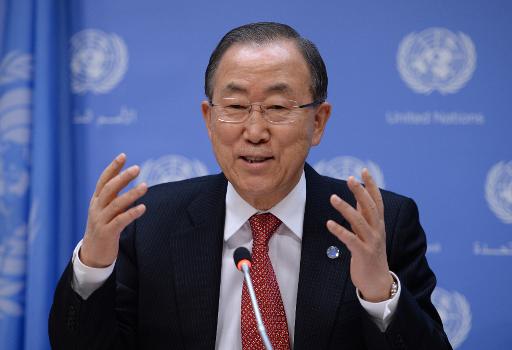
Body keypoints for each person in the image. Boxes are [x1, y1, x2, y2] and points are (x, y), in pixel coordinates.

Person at [49, 22, 452, 349]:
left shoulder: (379, 224)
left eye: (277, 108)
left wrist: (379, 294)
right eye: (236, 108)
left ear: (318, 122)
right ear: (208, 119)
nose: (255, 131)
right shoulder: (149, 224)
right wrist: (93, 269)